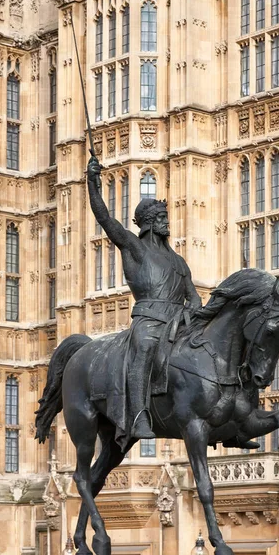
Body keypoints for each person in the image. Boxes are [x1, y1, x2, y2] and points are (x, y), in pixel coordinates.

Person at [87, 156, 202, 439]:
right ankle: (138, 416)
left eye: (166, 218)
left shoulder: (178, 260)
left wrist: (194, 313)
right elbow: (105, 219)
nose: (166, 223)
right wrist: (92, 183)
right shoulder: (135, 248)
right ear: (149, 223)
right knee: (144, 351)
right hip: (149, 322)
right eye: (161, 219)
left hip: (178, 324)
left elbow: (195, 298)